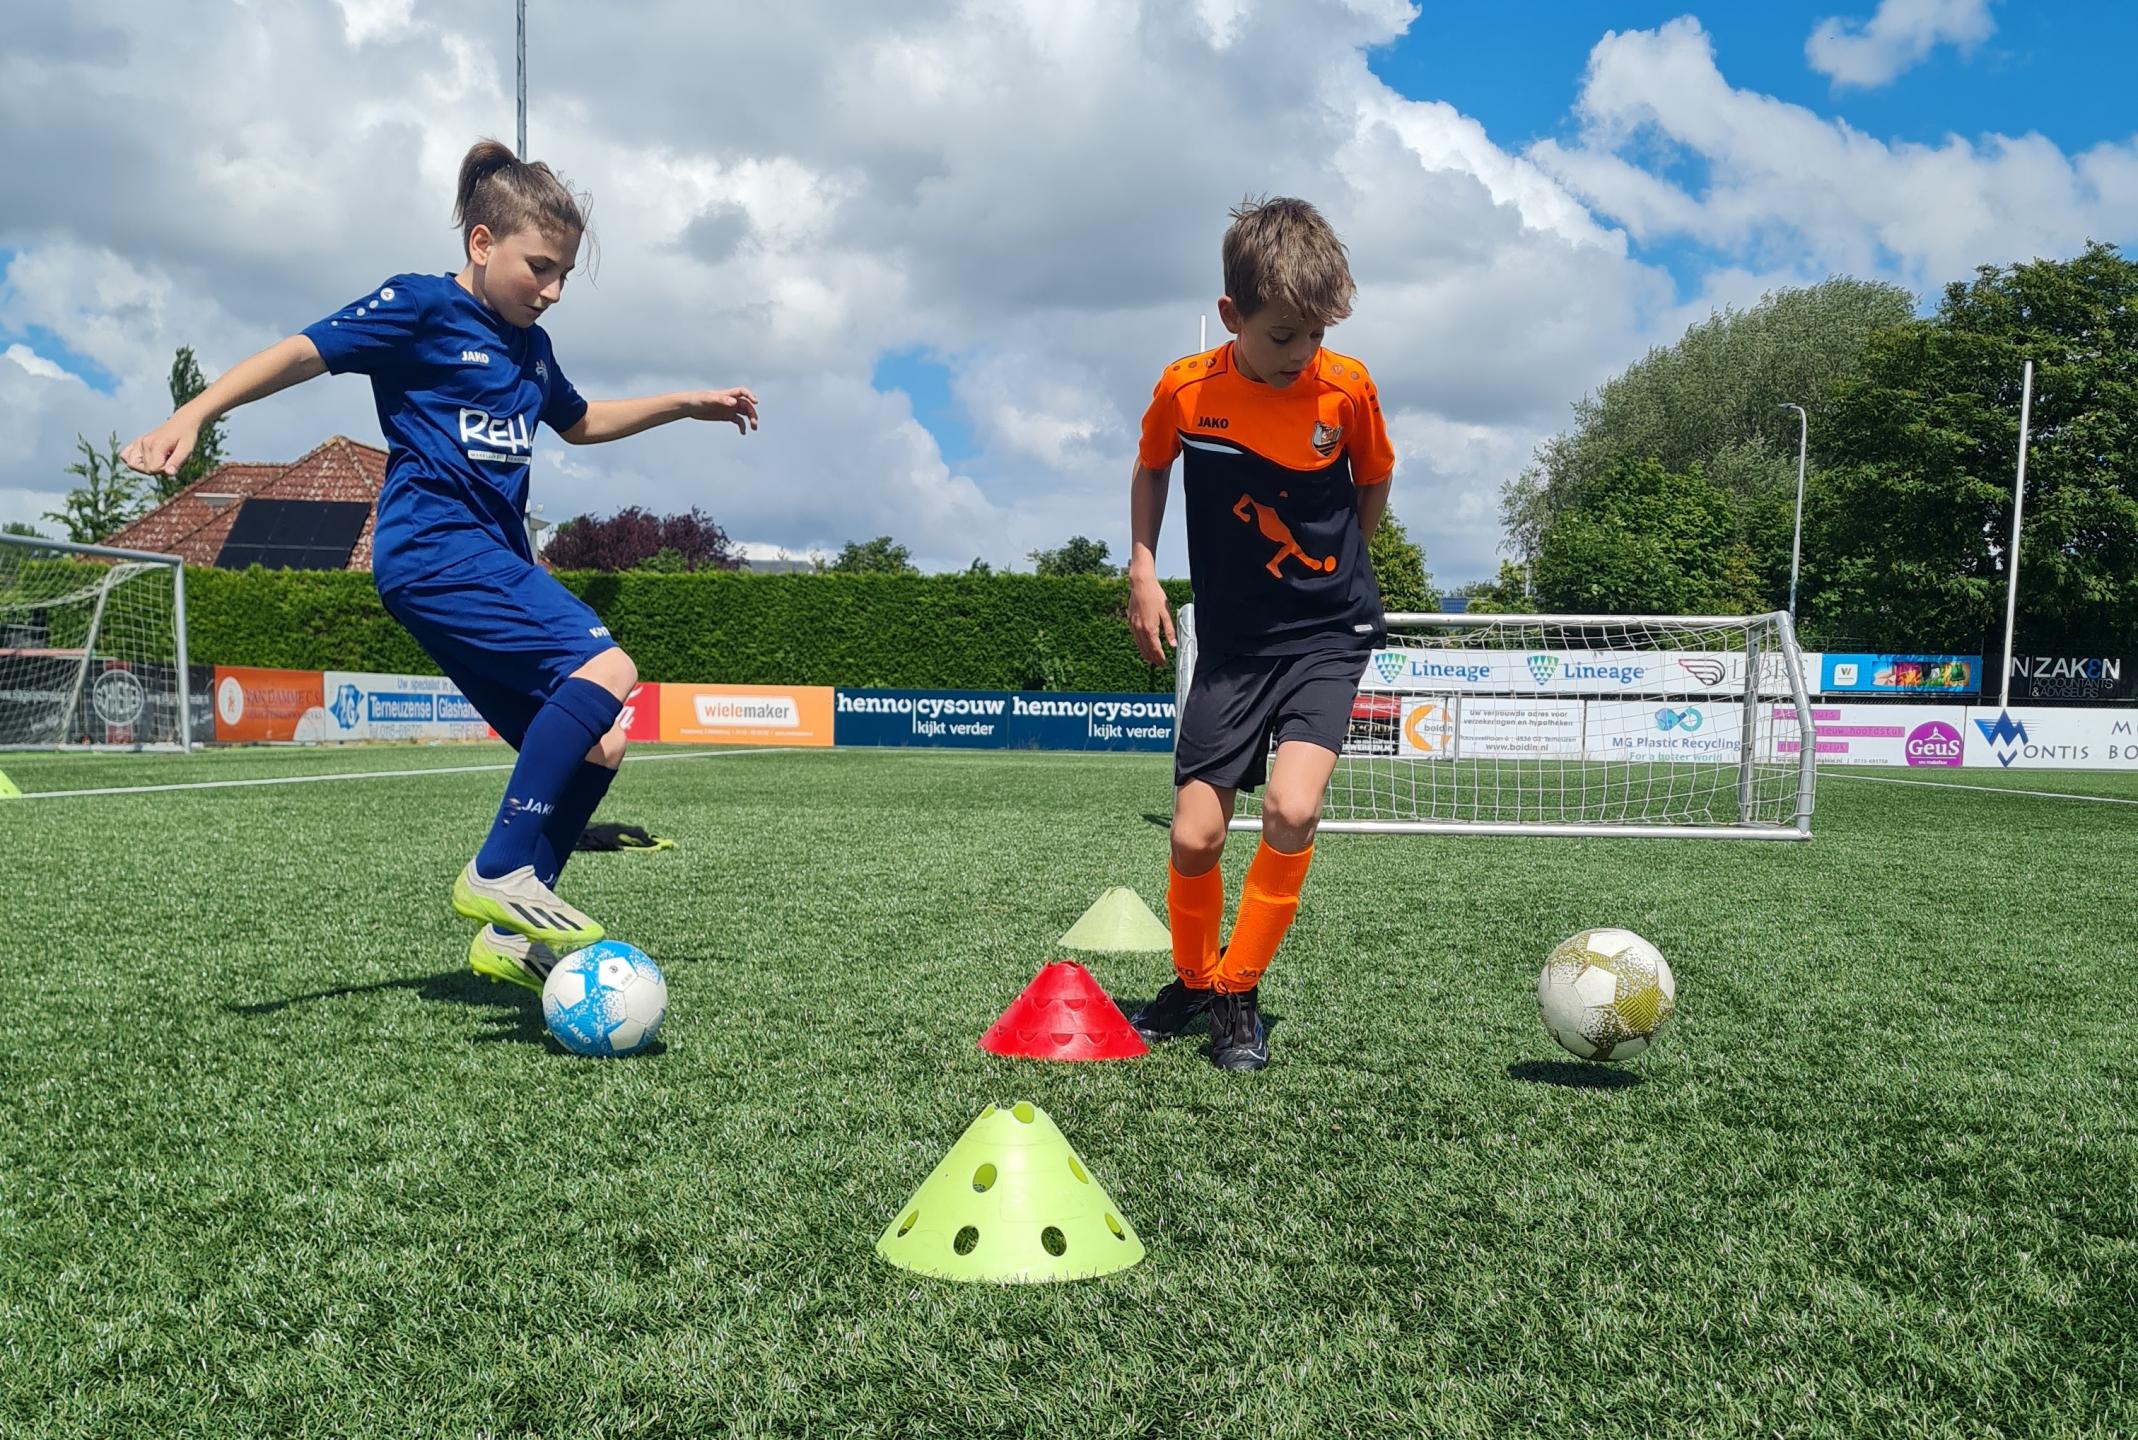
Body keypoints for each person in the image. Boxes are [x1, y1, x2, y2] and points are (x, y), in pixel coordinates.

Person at [122, 139, 759, 993]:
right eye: (540, 267)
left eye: (565, 273)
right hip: (431, 549)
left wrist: (686, 404)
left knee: (601, 743)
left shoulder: (532, 350)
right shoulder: (420, 307)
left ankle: (507, 933)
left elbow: (579, 422)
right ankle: (499, 868)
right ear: (482, 243)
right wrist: (194, 413)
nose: (554, 289)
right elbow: (301, 351)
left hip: (485, 562)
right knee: (608, 664)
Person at [1124, 196, 1395, 1071]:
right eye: (1283, 337)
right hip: (1234, 643)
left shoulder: (1346, 387)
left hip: (1328, 632)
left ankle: (1241, 991)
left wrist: (1337, 569)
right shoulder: (1185, 388)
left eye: (1314, 337)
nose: (1301, 356)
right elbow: (1152, 467)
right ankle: (1196, 980)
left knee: (1291, 806)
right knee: (1194, 836)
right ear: (1232, 316)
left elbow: (1373, 484)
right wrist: (1142, 571)